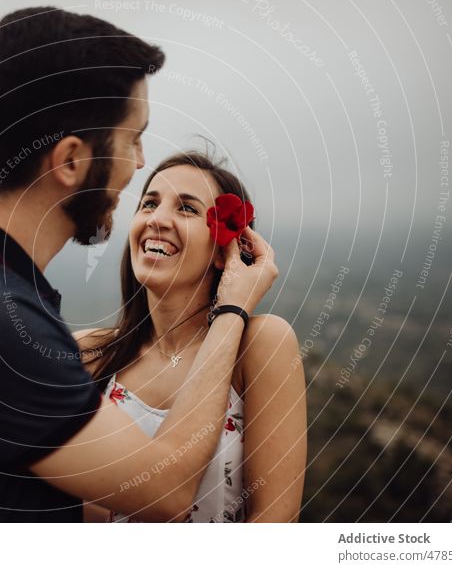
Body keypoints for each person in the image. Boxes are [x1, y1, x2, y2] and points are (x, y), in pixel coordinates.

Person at [0, 6, 279, 522]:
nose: (139, 163)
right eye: (132, 138)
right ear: (71, 160)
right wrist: (232, 309)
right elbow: (166, 489)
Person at [75, 152, 307, 522]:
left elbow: (275, 520)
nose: (158, 219)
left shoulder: (262, 345)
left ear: (224, 250)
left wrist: (233, 310)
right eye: (149, 203)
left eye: (186, 209)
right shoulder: (88, 355)